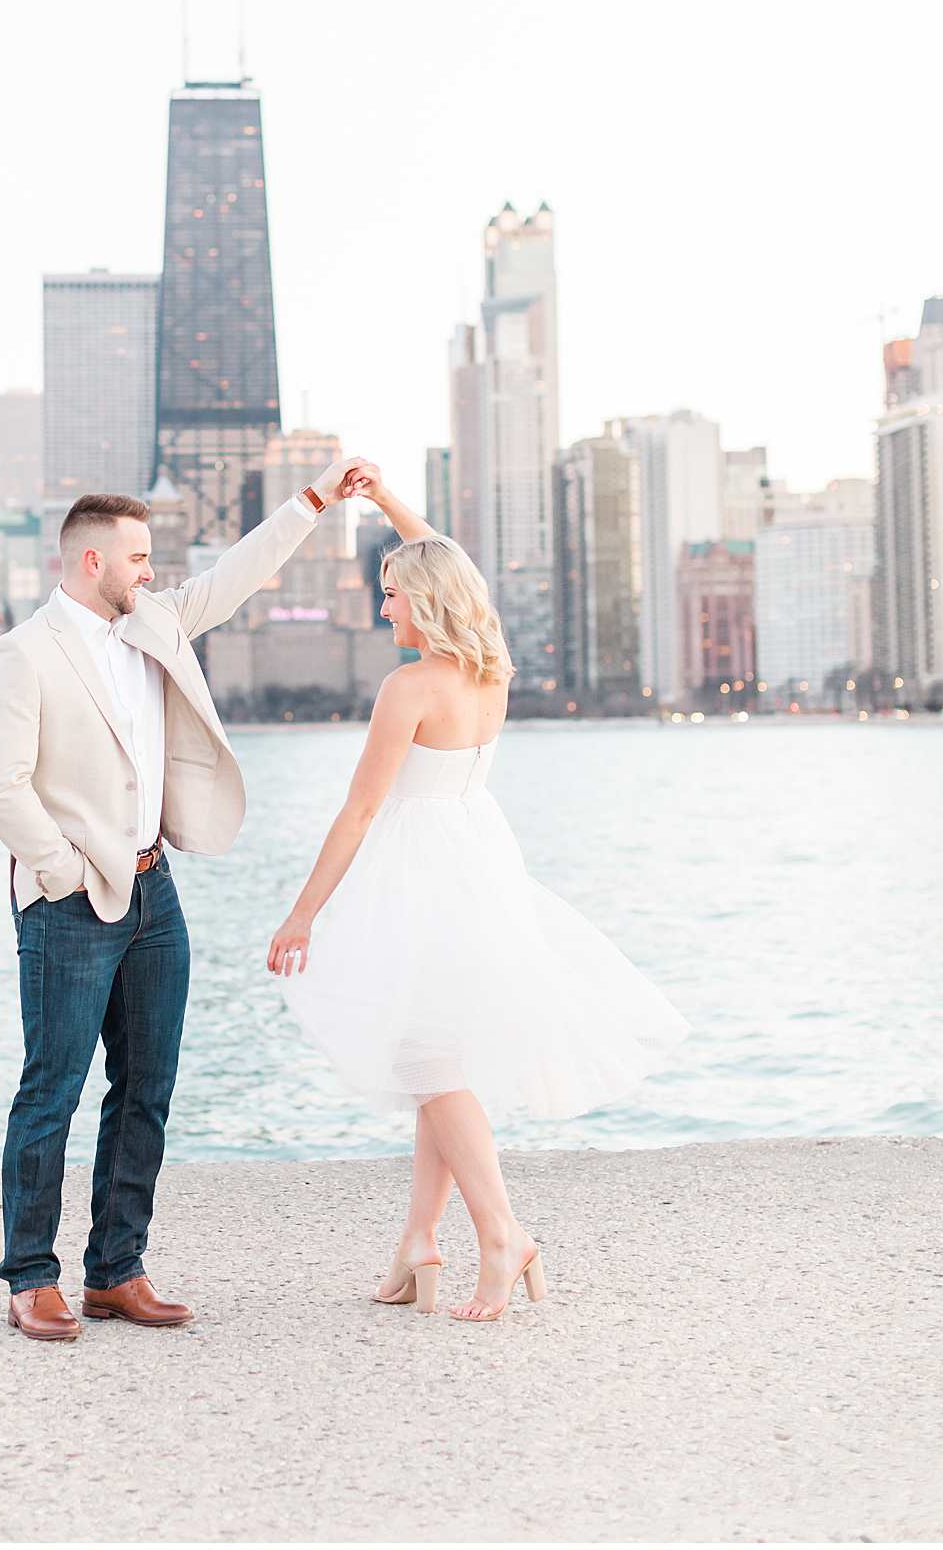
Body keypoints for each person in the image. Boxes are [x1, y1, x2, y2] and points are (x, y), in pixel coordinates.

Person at [268, 473, 690, 1322]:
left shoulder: (410, 689)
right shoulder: (488, 659)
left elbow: (359, 810)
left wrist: (304, 911)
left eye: (392, 597)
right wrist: (386, 503)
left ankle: (502, 1234)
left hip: (421, 867)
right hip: (478, 855)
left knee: (430, 1060)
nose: (383, 608)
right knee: (440, 1056)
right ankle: (417, 1245)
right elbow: (452, 568)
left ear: (424, 603)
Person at [0, 454, 373, 1342]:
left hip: (157, 894)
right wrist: (62, 868)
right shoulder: (23, 654)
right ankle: (30, 1278)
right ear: (91, 563)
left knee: (147, 1086)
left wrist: (311, 502)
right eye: (139, 558)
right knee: (53, 1090)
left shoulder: (153, 621)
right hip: (69, 901)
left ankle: (116, 1270)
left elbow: (234, 578)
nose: (152, 571)